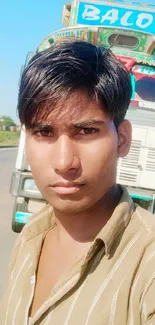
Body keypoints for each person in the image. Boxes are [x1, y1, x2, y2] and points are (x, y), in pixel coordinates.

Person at [1, 41, 155, 325]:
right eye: (44, 132)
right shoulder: (29, 239)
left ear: (122, 139)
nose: (64, 162)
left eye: (86, 131)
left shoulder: (147, 265)